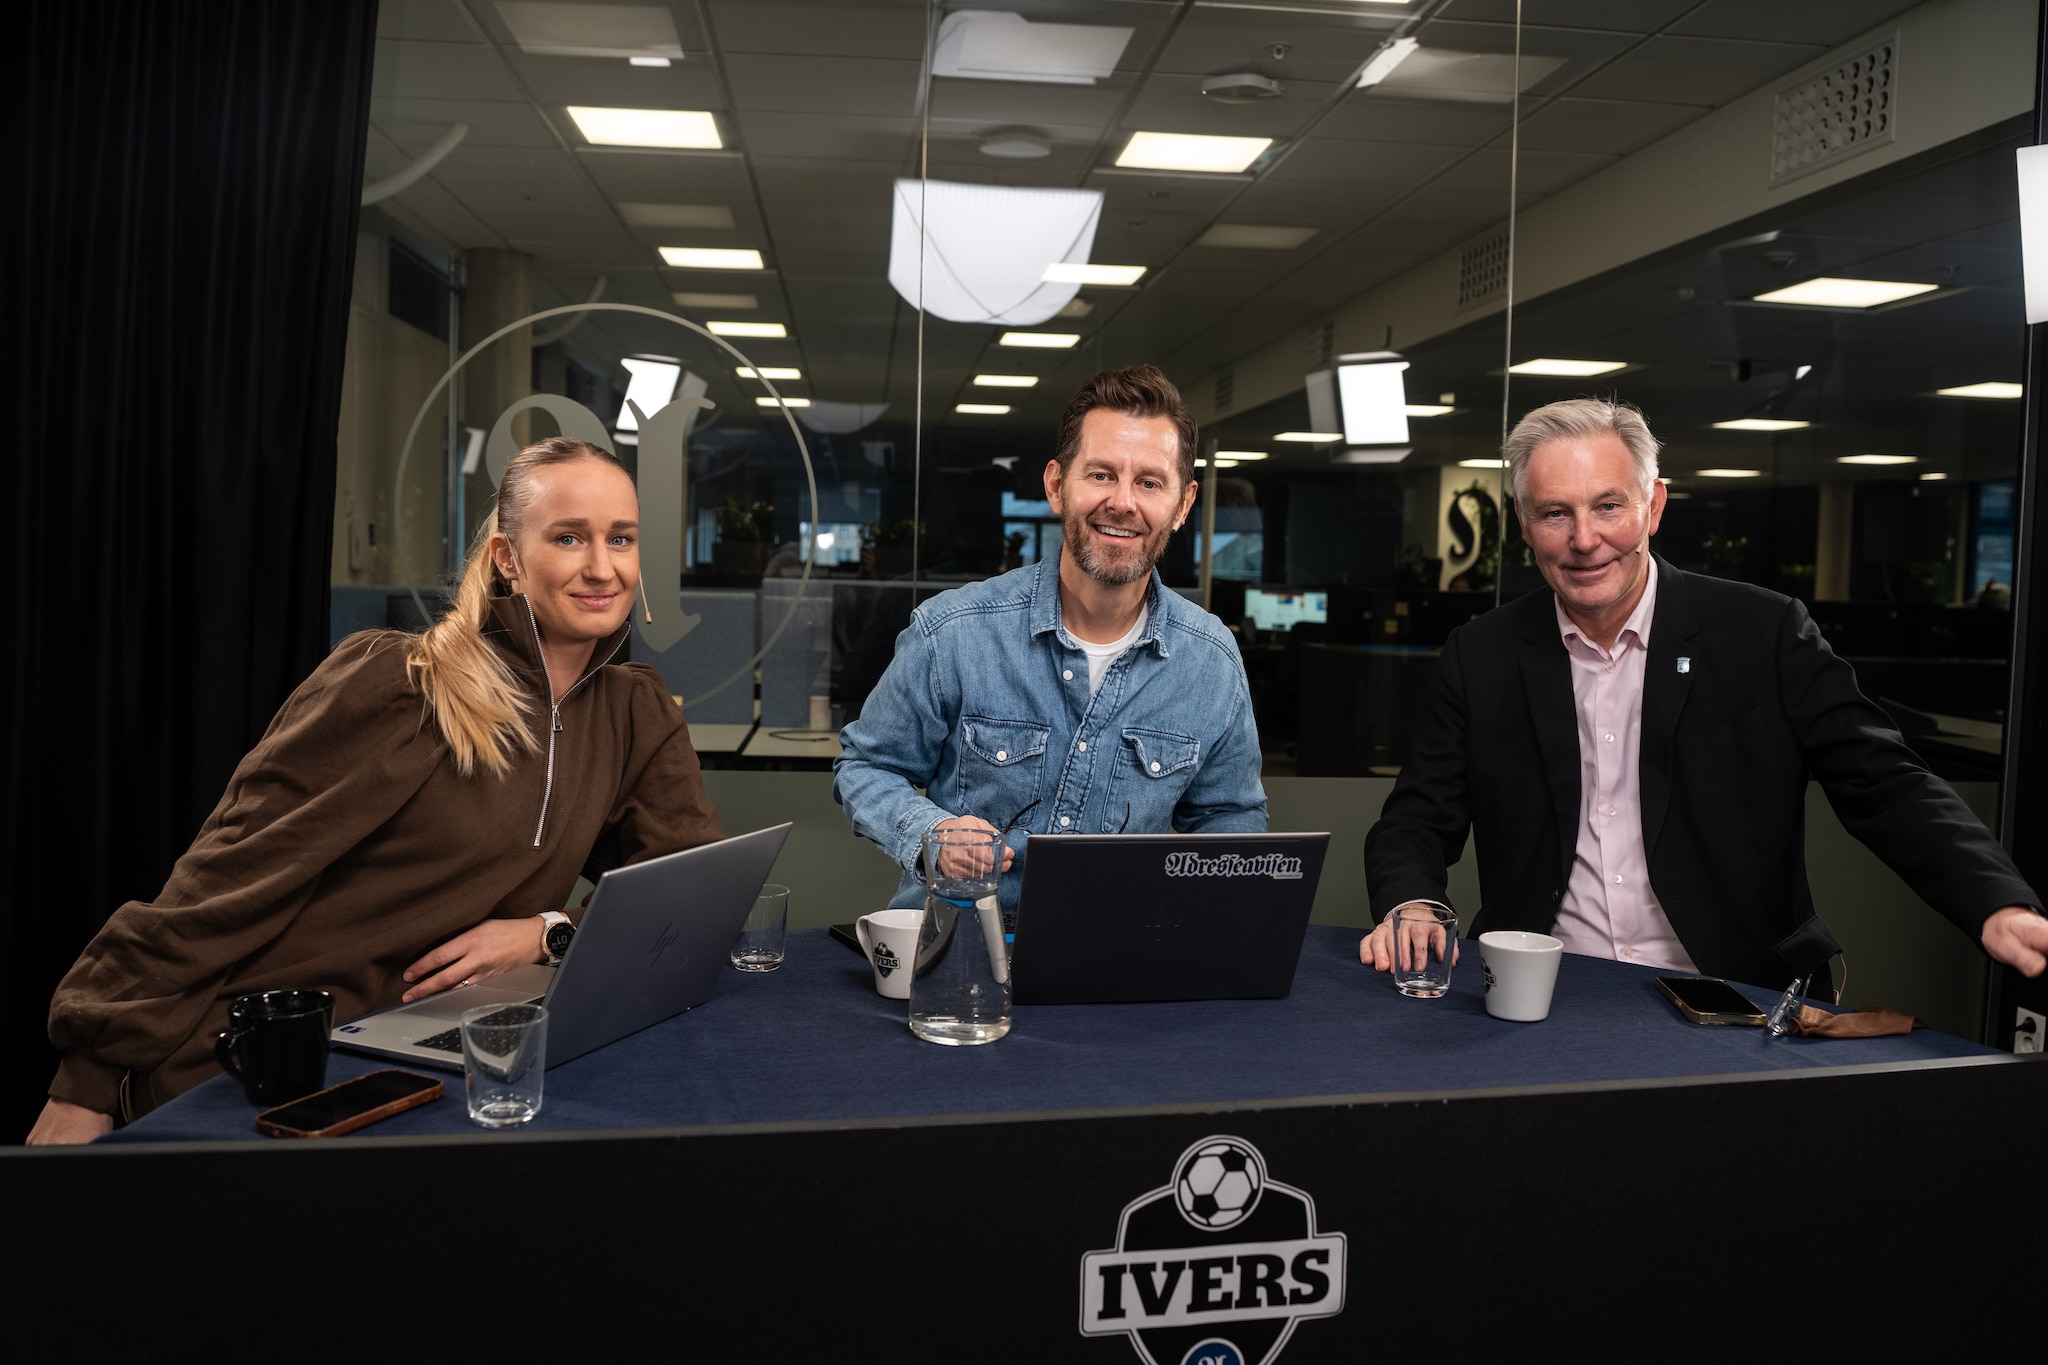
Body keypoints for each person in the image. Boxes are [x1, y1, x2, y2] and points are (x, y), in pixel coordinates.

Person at [30, 437, 722, 1143]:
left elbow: (690, 898)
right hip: (269, 1067)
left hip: (430, 1069)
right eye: (569, 537)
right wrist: (86, 1080)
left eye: (622, 539)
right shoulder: (401, 683)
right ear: (508, 558)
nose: (602, 567)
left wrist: (546, 933)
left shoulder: (633, 712)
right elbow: (221, 883)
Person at [1360, 398, 2045, 987]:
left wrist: (1994, 900)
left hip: (1731, 995)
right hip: (1542, 993)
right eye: (1554, 514)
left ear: (1654, 505)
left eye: (1608, 506)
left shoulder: (1763, 632)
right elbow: (1416, 818)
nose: (1584, 539)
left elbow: (1887, 783)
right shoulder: (1482, 653)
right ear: (1521, 522)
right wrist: (1412, 902)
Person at [833, 365, 1267, 916]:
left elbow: (1230, 818)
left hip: (1121, 966)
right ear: (1057, 486)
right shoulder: (954, 632)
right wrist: (931, 830)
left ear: (1182, 505)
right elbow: (866, 768)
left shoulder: (1211, 661)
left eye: (1150, 482)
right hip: (961, 958)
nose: (1123, 502)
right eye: (1102, 475)